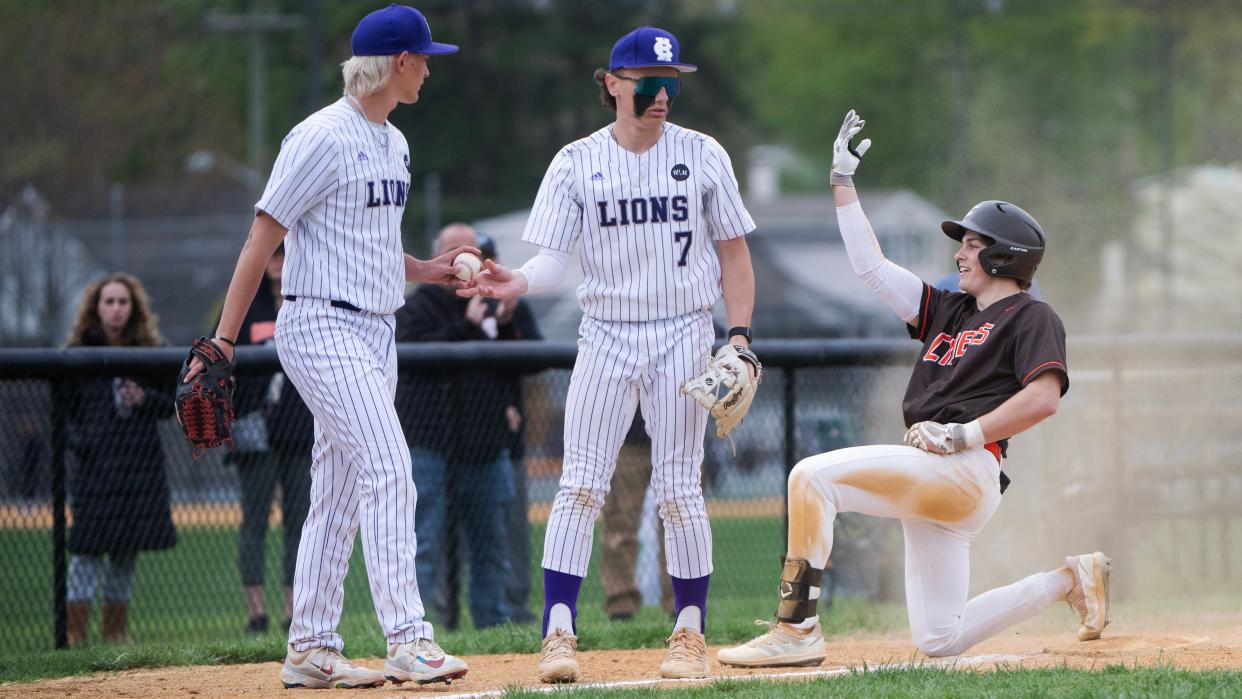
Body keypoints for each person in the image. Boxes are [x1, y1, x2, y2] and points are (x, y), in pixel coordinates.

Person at [717, 110, 1110, 668]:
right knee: (939, 641)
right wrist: (842, 184)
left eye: (973, 245)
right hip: (936, 476)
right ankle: (1069, 580)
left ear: (1003, 257)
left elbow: (1044, 398)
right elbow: (871, 268)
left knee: (811, 478)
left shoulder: (1031, 315)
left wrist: (961, 434)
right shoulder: (949, 309)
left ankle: (796, 628)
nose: (959, 254)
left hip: (966, 466)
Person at [181, 4, 473, 688]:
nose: (430, 69)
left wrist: (430, 270)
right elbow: (263, 234)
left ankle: (310, 645)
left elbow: (368, 243)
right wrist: (224, 340)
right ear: (399, 62)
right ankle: (408, 637)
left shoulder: (394, 142)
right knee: (391, 466)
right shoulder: (318, 136)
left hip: (377, 328)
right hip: (319, 324)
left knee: (338, 496)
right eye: (425, 58)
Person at [459, 26, 759, 682]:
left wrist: (737, 336)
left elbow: (735, 253)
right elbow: (551, 258)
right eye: (650, 82)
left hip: (682, 328)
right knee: (581, 483)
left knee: (680, 488)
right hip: (606, 331)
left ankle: (689, 632)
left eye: (672, 82)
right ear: (613, 84)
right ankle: (559, 632)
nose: (662, 94)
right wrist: (516, 279)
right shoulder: (575, 162)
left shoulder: (703, 154)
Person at [395, 222, 541, 630]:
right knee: (422, 543)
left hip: (485, 443)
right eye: (454, 250)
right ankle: (415, 628)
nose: (463, 259)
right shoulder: (420, 303)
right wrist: (468, 325)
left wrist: (508, 322)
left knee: (490, 545)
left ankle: (491, 626)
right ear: (440, 256)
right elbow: (408, 355)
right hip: (428, 442)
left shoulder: (497, 297)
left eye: (471, 251)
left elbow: (533, 358)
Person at [64, 273, 176, 646]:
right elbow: (64, 416)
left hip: (138, 468)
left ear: (134, 308)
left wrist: (143, 399)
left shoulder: (150, 352)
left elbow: (170, 406)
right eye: (109, 301)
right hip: (96, 470)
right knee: (86, 552)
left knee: (125, 553)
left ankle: (115, 631)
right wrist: (85, 444)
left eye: (123, 302)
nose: (116, 309)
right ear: (96, 308)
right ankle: (75, 633)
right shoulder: (79, 352)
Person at [229, 244, 314, 635]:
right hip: (257, 428)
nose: (278, 264)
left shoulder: (310, 299)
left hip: (300, 428)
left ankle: (292, 608)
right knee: (255, 520)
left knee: (300, 520)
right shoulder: (250, 305)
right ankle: (256, 612)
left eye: (286, 255)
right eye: (273, 257)